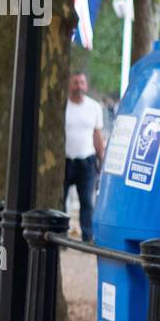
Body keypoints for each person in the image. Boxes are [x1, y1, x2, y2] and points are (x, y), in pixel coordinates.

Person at [65, 71, 105, 243]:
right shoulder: (63, 105)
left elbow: (97, 134)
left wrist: (101, 157)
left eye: (82, 82)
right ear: (69, 85)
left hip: (87, 161)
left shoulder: (94, 107)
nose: (79, 86)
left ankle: (87, 236)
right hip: (65, 160)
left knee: (87, 202)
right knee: (62, 200)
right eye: (75, 83)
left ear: (86, 85)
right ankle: (60, 234)